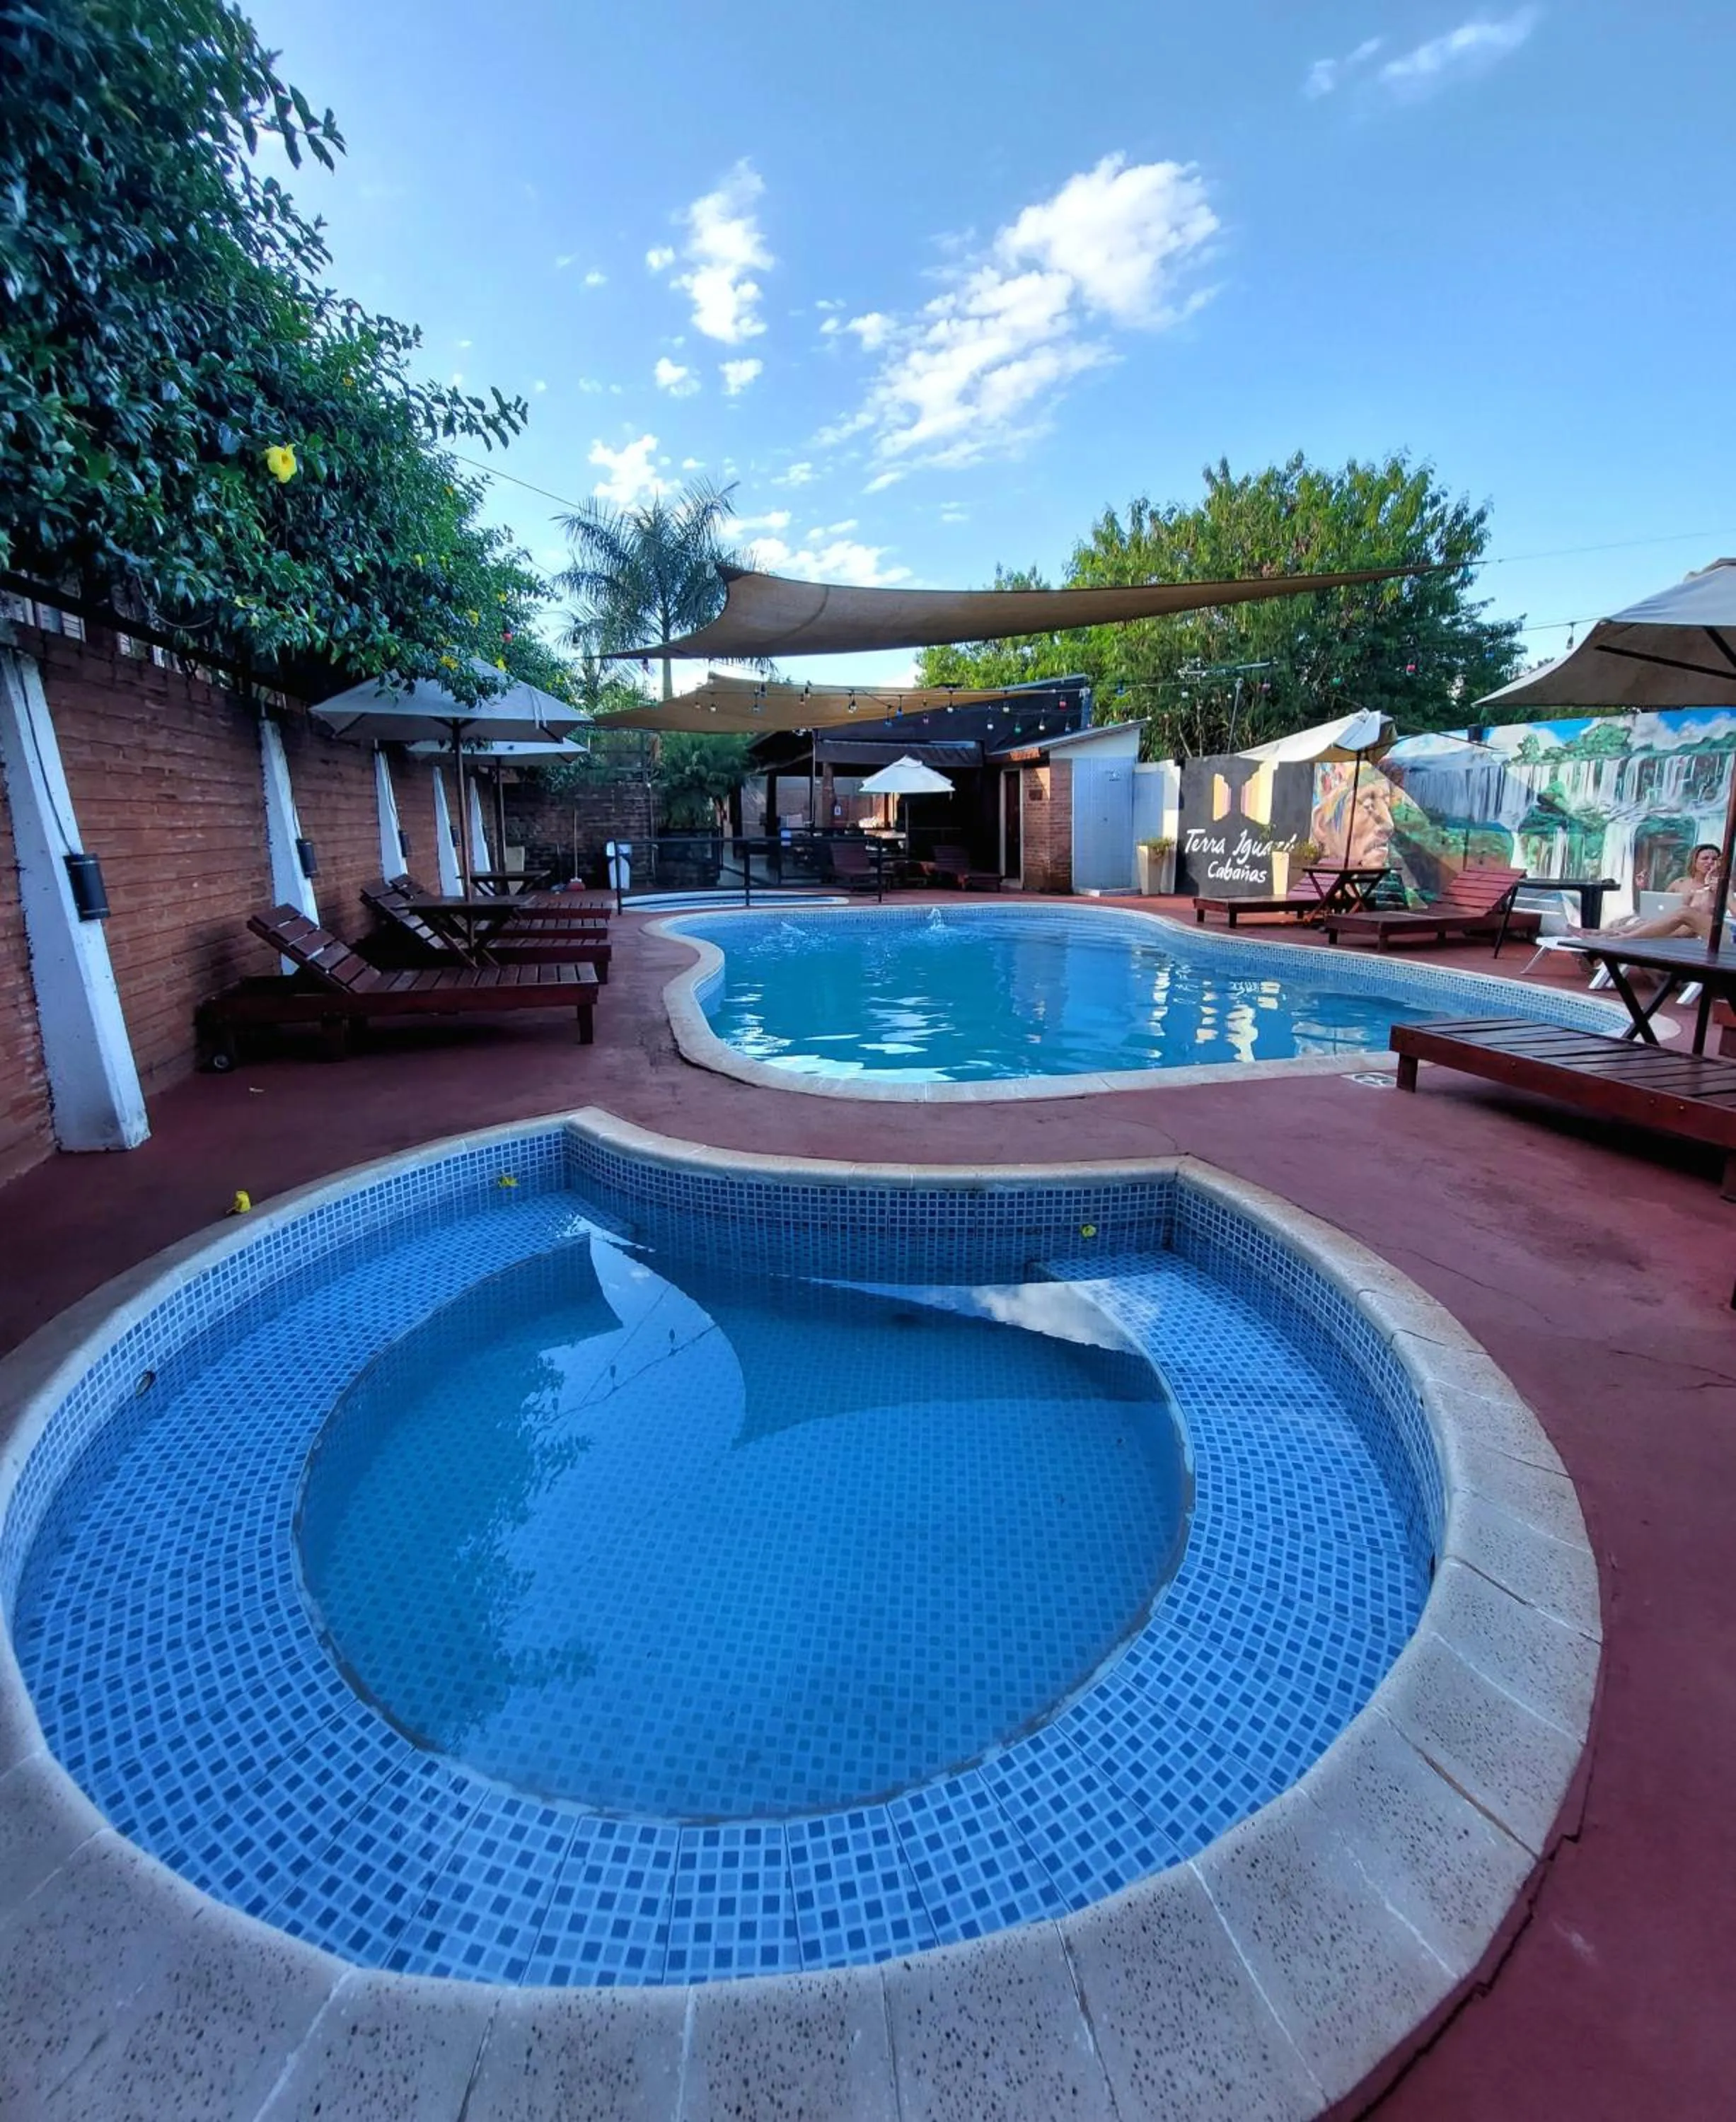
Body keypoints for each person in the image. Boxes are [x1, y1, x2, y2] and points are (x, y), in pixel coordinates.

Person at [1585, 844, 1725, 941]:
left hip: (1692, 933)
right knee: (1647, 921)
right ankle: (1600, 933)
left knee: (1647, 928)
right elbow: (1660, 906)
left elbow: (1709, 913)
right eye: (1705, 858)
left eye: (1714, 859)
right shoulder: (1680, 883)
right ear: (1694, 862)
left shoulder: (1719, 886)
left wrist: (1711, 882)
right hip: (1670, 927)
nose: (1710, 862)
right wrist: (1643, 888)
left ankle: (1615, 939)